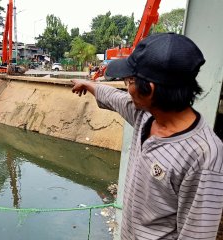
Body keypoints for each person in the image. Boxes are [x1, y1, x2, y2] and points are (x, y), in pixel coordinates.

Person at [71, 33, 223, 239]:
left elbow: (197, 235)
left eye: (129, 81)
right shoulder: (145, 116)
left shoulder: (203, 155)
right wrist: (89, 85)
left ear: (149, 90)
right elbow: (115, 98)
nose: (126, 88)